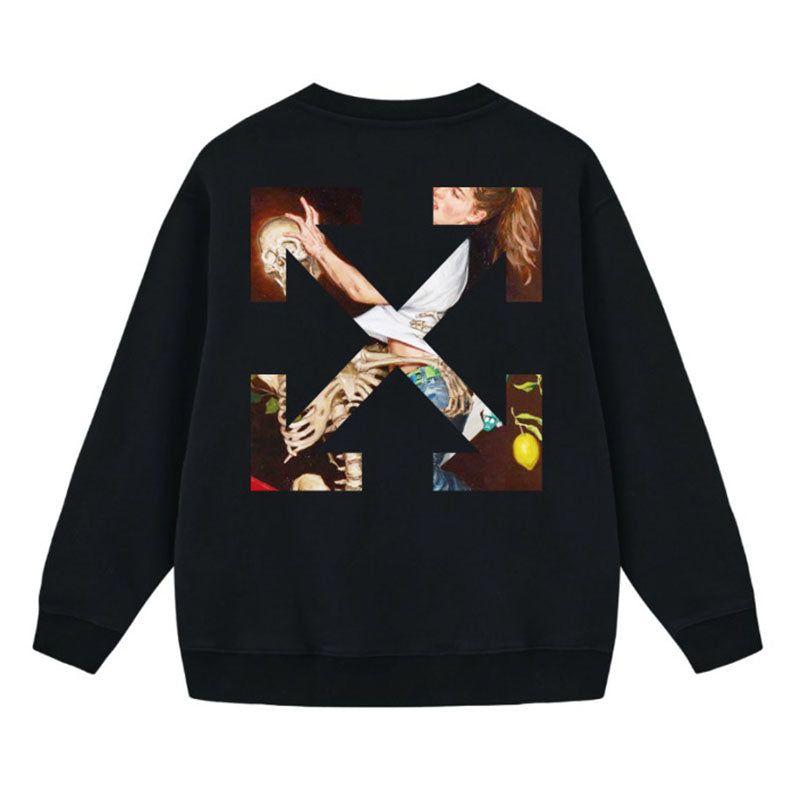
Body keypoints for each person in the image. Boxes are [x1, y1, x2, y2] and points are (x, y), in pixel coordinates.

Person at [284, 187, 541, 490]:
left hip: (431, 385)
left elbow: (360, 290)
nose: (439, 193)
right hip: (420, 382)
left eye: (456, 194)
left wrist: (318, 248)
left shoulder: (444, 257)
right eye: (446, 185)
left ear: (475, 215)